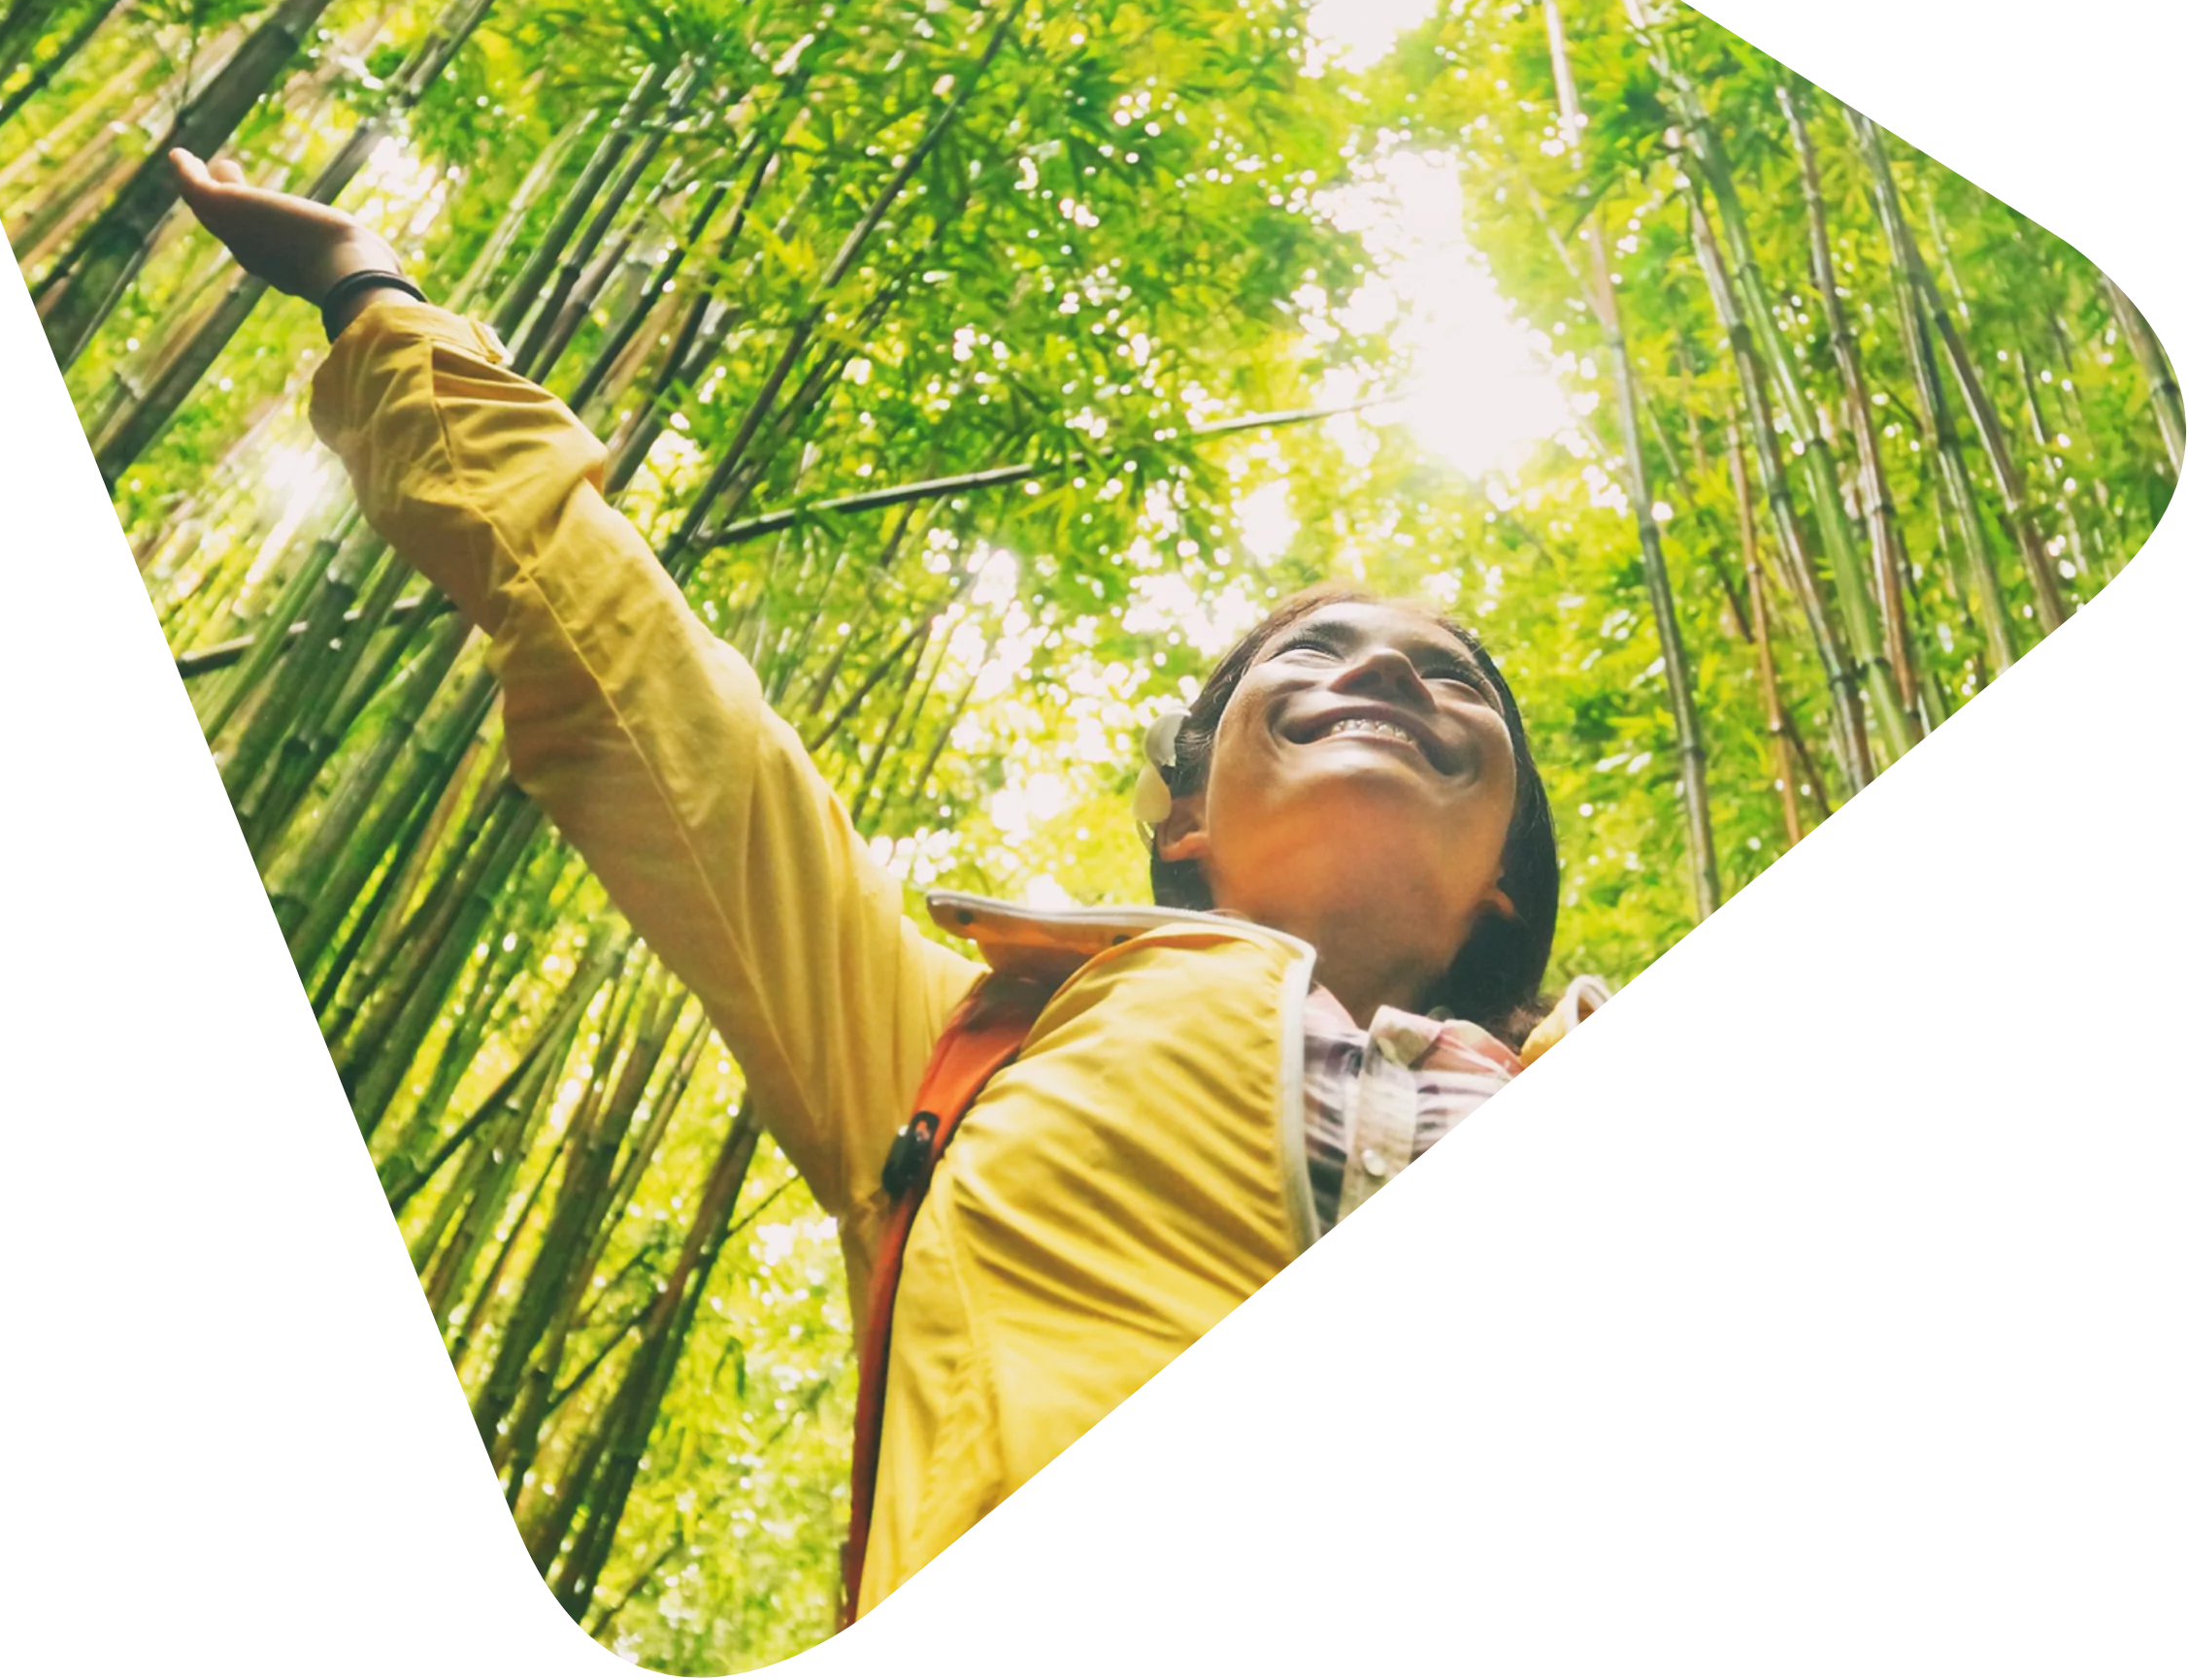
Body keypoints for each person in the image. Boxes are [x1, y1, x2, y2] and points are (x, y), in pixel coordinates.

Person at [166, 148, 1611, 1626]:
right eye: (1308, 658)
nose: (1378, 670)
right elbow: (640, 686)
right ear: (1184, 825)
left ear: (1503, 883)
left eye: (1449, 678)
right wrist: (372, 292)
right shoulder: (959, 1044)